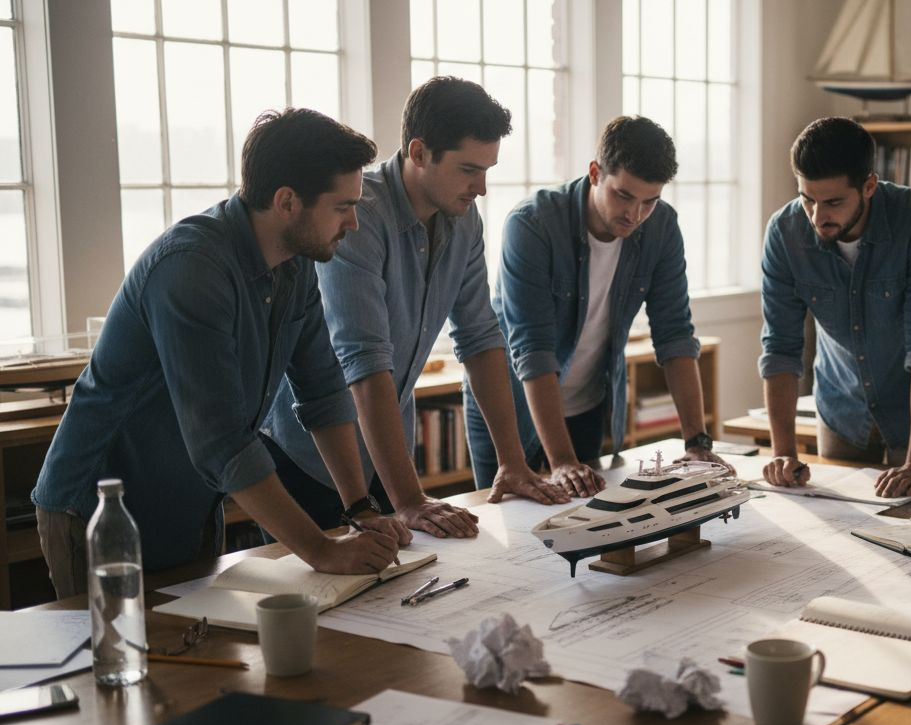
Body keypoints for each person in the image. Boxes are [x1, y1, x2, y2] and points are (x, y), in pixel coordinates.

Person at [32, 109, 411, 597]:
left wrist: (359, 509)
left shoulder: (296, 266)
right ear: (287, 202)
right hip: (98, 510)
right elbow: (222, 441)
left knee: (199, 643)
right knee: (121, 646)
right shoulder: (191, 268)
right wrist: (321, 549)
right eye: (342, 207)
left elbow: (323, 392)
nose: (353, 223)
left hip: (190, 506)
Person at [264, 77, 567, 537]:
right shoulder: (358, 215)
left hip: (388, 457)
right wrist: (408, 500)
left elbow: (481, 338)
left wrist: (512, 462)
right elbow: (363, 360)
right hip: (308, 458)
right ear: (419, 152)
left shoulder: (464, 219)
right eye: (469, 169)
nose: (482, 187)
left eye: (487, 170)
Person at [465, 115, 728, 498]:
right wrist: (561, 461)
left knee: (584, 522)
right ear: (595, 173)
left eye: (649, 201)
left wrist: (698, 443)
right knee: (511, 525)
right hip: (510, 409)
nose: (635, 215)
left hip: (587, 406)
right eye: (623, 196)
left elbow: (675, 334)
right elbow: (533, 350)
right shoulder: (532, 224)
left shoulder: (661, 227)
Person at [758, 117, 911, 498]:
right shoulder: (784, 234)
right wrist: (783, 453)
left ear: (869, 186)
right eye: (807, 199)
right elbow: (780, 349)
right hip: (840, 405)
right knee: (837, 517)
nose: (817, 217)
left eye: (833, 202)